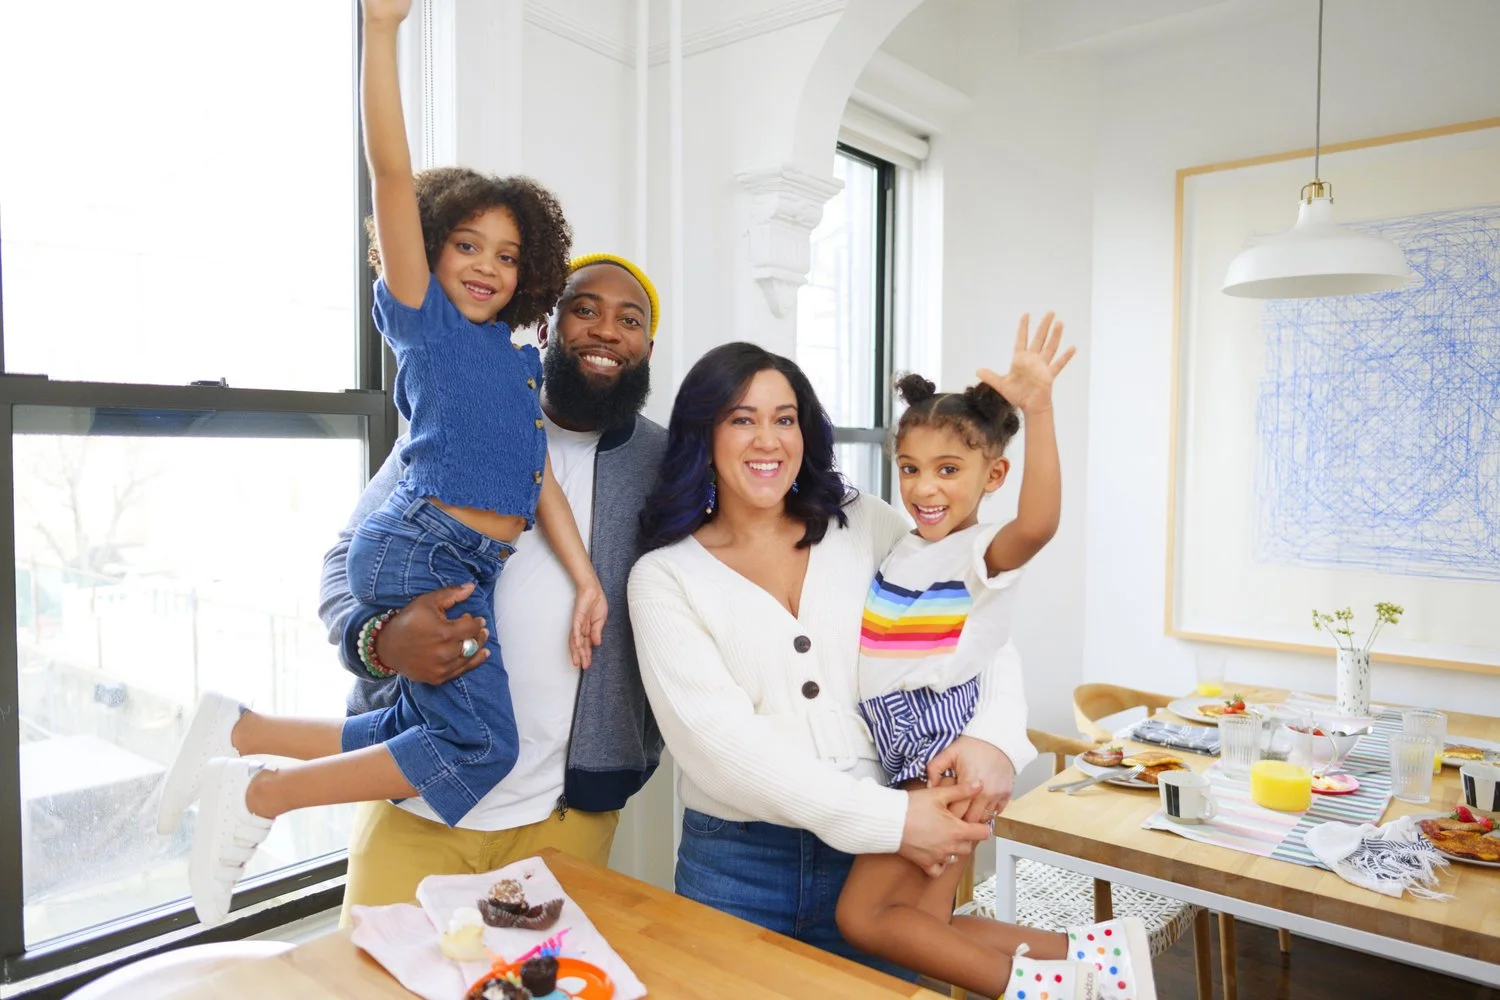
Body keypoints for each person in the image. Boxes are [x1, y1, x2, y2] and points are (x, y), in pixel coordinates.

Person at [153, 0, 605, 926]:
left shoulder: (513, 365)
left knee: (421, 727)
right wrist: (385, 31)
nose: (487, 266)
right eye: (467, 245)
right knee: (481, 749)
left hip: (463, 558)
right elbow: (392, 172)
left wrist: (587, 580)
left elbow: (538, 482)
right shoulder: (427, 329)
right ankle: (261, 794)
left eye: (509, 256)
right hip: (421, 550)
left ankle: (239, 737)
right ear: (428, 252)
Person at [626, 342, 1030, 978]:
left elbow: (975, 629)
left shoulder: (866, 524)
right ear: (704, 434)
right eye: (741, 419)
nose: (768, 440)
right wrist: (890, 820)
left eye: (784, 418)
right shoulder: (664, 577)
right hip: (741, 869)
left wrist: (996, 740)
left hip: (884, 855)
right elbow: (720, 749)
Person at [317, 249, 664, 928]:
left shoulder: (666, 461)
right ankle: (256, 773)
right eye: (583, 309)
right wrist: (380, 641)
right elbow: (343, 565)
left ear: (649, 346)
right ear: (546, 327)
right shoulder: (463, 420)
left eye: (629, 319)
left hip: (564, 818)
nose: (605, 329)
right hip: (414, 806)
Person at [833, 314, 1157, 1000]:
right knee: (929, 927)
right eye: (912, 469)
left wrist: (1037, 410)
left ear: (994, 474)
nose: (925, 488)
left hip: (938, 756)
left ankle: (1064, 992)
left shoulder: (978, 555)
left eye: (949, 471)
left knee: (862, 918)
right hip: (913, 754)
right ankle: (1098, 958)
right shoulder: (906, 547)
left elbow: (1038, 524)